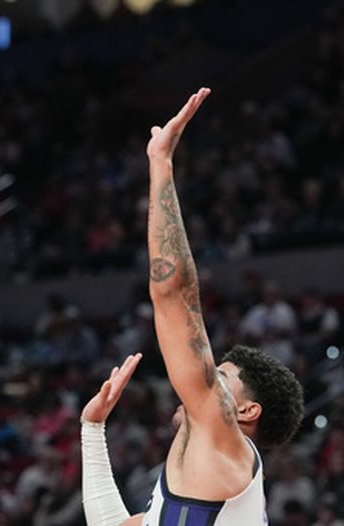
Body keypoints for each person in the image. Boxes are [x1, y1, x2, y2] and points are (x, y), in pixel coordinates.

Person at [80, 88, 304, 526]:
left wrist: (160, 163)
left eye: (219, 378)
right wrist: (92, 430)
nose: (203, 379)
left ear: (245, 411)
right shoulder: (204, 472)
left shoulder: (225, 442)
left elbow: (173, 292)